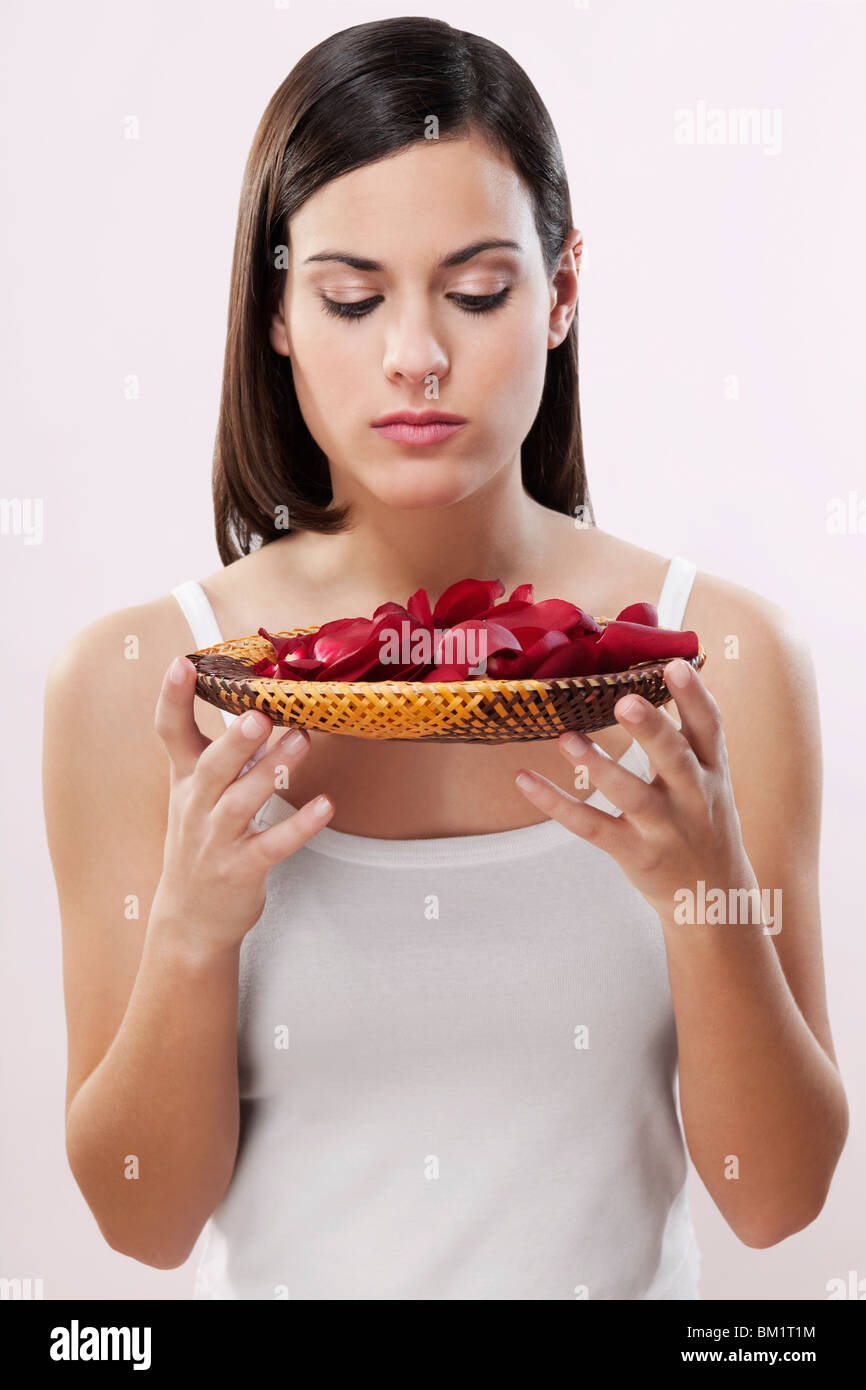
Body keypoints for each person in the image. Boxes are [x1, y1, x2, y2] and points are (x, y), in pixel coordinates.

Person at [44, 16, 848, 1300]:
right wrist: (191, 934)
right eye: (353, 299)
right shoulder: (148, 676)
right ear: (277, 316)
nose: (415, 354)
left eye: (475, 290)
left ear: (562, 291)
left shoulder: (720, 661)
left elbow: (777, 1203)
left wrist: (706, 900)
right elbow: (142, 1226)